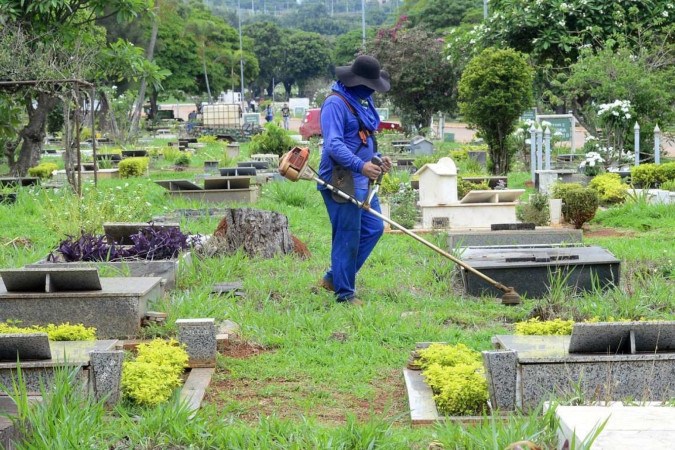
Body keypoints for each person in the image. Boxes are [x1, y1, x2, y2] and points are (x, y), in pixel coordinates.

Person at [316, 55, 393, 306]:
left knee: (374, 228)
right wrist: (362, 165)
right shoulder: (336, 104)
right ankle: (344, 294)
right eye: (370, 85)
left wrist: (377, 159)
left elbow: (360, 140)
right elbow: (334, 144)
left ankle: (333, 277)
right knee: (347, 235)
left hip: (363, 179)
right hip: (340, 179)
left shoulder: (362, 103)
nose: (373, 90)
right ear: (357, 82)